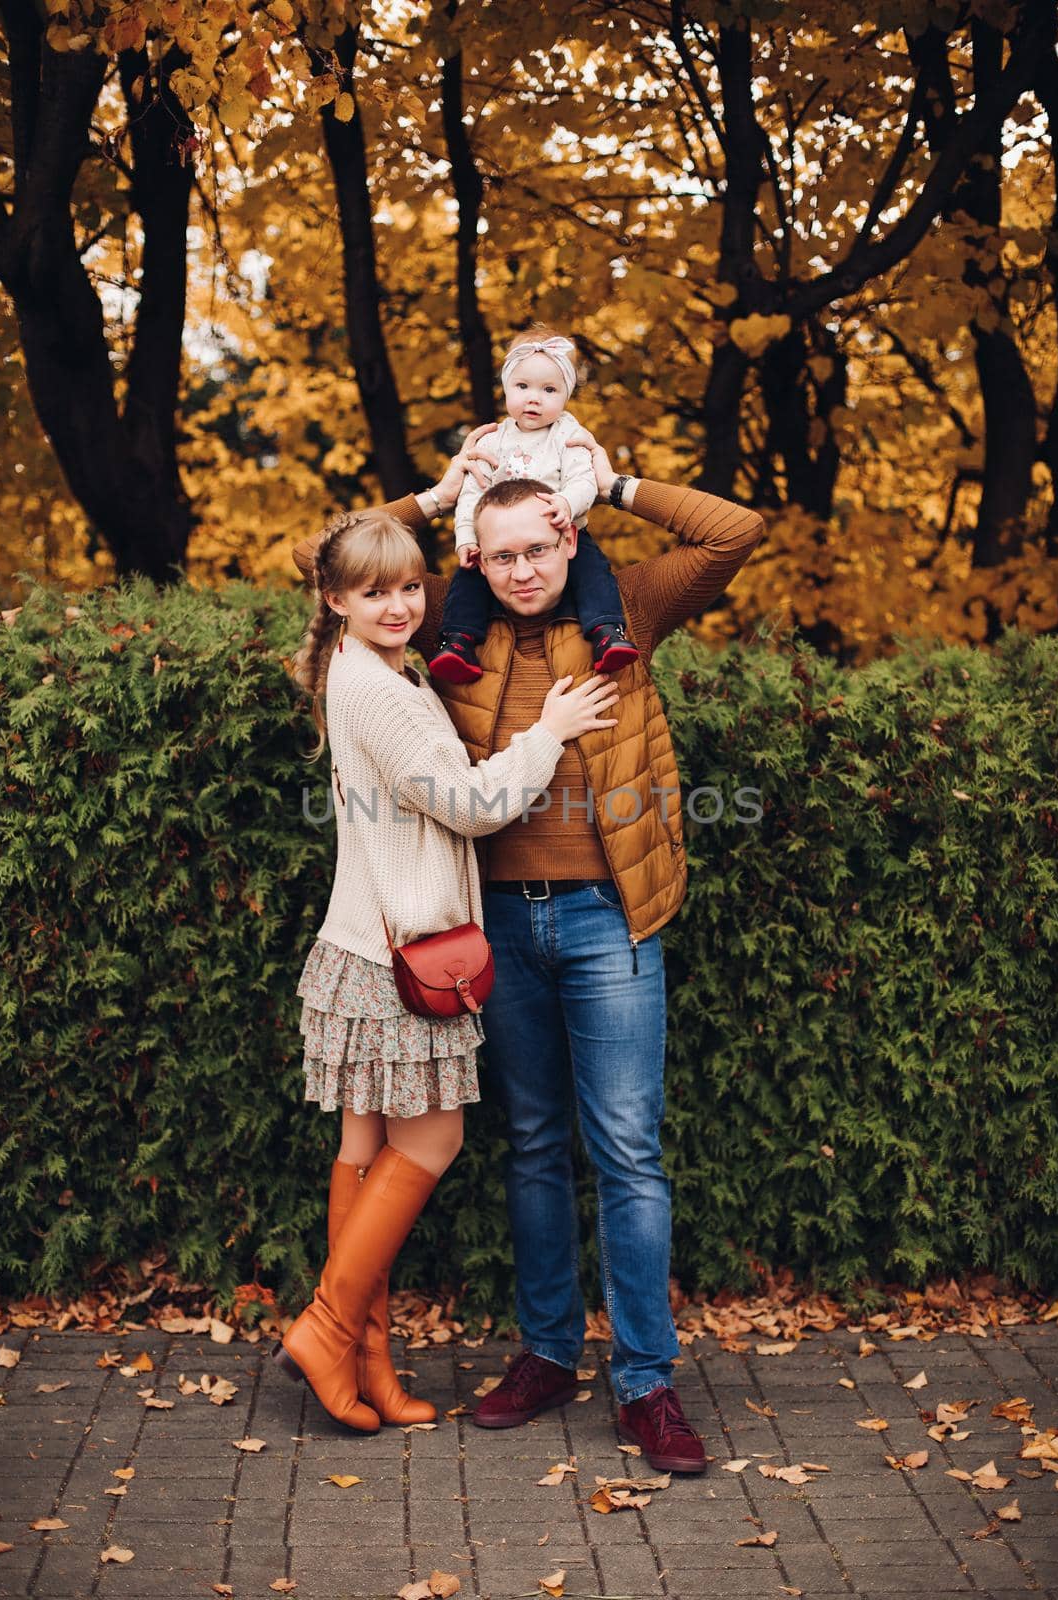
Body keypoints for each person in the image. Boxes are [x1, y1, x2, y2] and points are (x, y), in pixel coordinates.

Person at [292, 423, 764, 1472]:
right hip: (489, 927)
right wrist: (438, 493)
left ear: (566, 545)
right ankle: (548, 1353)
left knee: (627, 1153)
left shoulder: (626, 609)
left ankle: (643, 1382)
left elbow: (736, 534)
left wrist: (614, 480)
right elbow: (330, 568)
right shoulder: (441, 644)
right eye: (497, 553)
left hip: (607, 916)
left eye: (536, 549)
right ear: (472, 557)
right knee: (534, 1145)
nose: (519, 570)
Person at [272, 503, 620, 1432]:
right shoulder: (381, 691)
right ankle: (327, 1326)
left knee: (362, 1154)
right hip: (402, 953)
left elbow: (355, 546)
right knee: (431, 1145)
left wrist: (440, 500)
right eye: (373, 591)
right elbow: (467, 806)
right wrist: (547, 732)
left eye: (409, 587)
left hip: (363, 943)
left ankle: (361, 1365)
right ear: (336, 598)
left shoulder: (367, 666)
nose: (398, 605)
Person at [427, 327, 638, 684]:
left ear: (566, 396)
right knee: (468, 578)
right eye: (522, 387)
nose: (534, 399)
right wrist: (465, 535)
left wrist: (567, 503)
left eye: (549, 390)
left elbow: (585, 480)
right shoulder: (492, 439)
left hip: (562, 532)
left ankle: (606, 632)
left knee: (593, 573)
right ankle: (458, 641)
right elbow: (472, 492)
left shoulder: (568, 435)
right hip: (496, 537)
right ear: (506, 389)